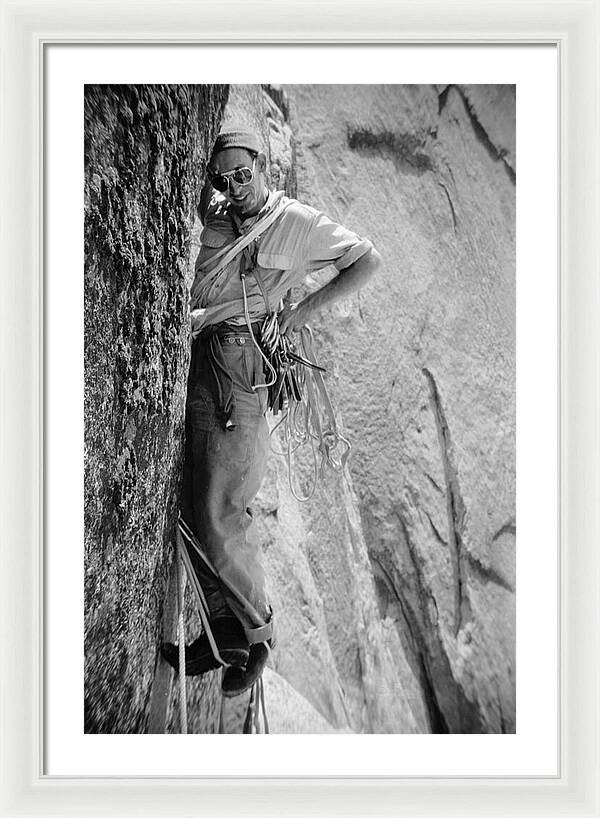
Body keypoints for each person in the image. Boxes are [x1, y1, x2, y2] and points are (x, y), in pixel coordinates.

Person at [162, 129, 382, 697]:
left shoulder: (297, 223)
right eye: (223, 178)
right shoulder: (217, 213)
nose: (234, 187)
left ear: (264, 169)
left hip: (240, 365)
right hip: (206, 355)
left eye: (243, 174)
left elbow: (366, 260)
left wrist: (300, 312)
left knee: (223, 506)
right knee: (193, 495)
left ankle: (257, 638)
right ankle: (223, 634)